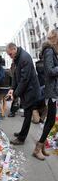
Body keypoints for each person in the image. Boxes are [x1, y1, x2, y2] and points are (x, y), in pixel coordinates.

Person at [6, 43, 41, 145]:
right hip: (27, 90)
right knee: (27, 114)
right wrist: (12, 88)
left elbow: (24, 79)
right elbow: (16, 76)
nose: (10, 56)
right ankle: (22, 133)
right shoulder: (17, 58)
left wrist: (15, 94)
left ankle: (21, 138)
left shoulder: (24, 58)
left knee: (28, 114)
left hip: (31, 91)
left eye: (10, 54)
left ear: (14, 49)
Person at [32, 30, 58, 160]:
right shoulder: (49, 51)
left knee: (49, 120)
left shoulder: (51, 51)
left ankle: (41, 146)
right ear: (55, 39)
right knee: (51, 120)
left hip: (53, 90)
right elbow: (50, 71)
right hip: (51, 91)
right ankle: (38, 148)